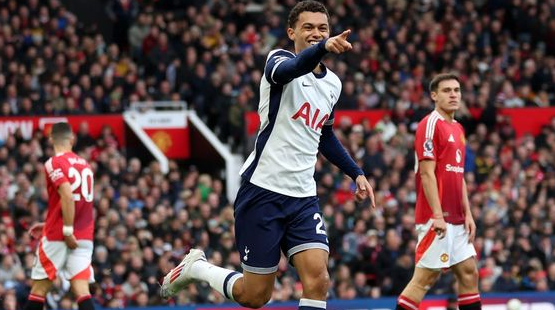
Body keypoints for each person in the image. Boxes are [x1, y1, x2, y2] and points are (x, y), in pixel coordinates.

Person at [160, 1, 375, 309]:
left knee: (319, 280)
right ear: (292, 32)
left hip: (302, 196)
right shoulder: (278, 60)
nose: (316, 33)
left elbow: (323, 134)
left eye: (323, 28)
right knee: (256, 295)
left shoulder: (332, 83)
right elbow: (294, 68)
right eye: (309, 27)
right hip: (263, 190)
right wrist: (324, 46)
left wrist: (356, 171)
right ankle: (198, 268)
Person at [395, 73, 481, 310]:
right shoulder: (430, 124)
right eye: (447, 90)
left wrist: (468, 214)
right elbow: (426, 174)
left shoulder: (459, 128)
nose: (453, 94)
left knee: (468, 272)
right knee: (424, 279)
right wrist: (438, 215)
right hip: (437, 217)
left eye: (457, 90)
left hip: (457, 217)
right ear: (434, 96)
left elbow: (458, 174)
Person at [24, 122, 96, 310]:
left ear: (50, 139)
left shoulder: (53, 162)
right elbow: (78, 203)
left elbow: (67, 193)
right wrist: (50, 222)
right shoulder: (86, 165)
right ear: (72, 139)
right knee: (82, 290)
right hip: (84, 236)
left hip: (60, 235)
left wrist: (66, 229)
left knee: (39, 290)